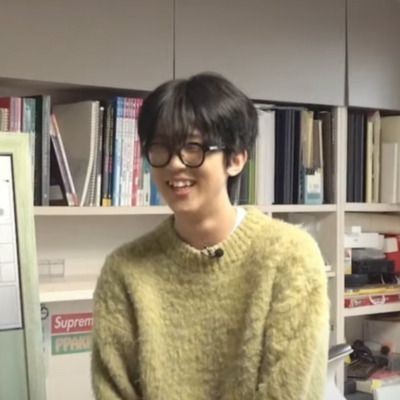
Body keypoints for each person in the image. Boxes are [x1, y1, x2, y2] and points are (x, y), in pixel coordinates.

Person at [91, 72, 330, 400]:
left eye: (193, 148)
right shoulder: (125, 270)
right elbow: (112, 390)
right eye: (161, 148)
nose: (175, 164)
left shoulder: (290, 256)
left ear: (236, 158)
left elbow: (291, 390)